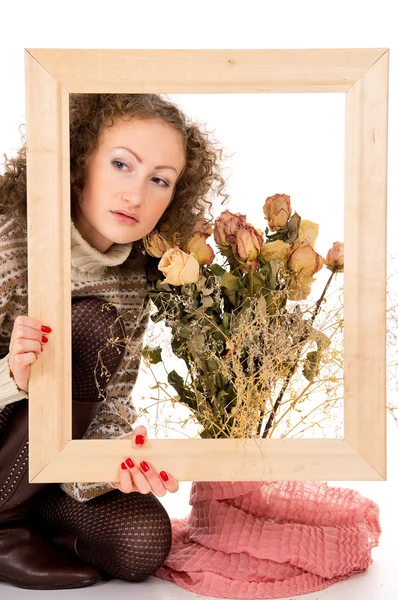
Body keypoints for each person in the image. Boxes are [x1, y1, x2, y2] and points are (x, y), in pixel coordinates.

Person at [0, 93, 229, 590]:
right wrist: (12, 376)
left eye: (160, 179)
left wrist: (116, 460)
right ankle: (4, 531)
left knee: (142, 541)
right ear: (80, 161)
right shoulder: (9, 239)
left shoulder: (132, 279)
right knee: (86, 325)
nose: (136, 194)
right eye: (122, 164)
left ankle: (34, 525)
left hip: (41, 469)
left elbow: (109, 405)